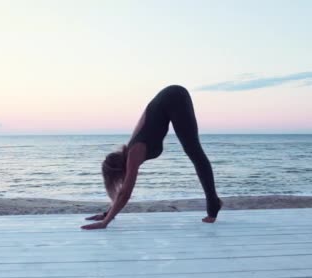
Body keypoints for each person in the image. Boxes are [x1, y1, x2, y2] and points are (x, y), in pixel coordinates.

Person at [81, 85, 222, 230]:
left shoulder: (134, 153)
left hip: (174, 96)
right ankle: (213, 203)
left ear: (118, 171)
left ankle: (213, 204)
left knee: (193, 149)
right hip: (166, 98)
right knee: (192, 149)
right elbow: (122, 191)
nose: (120, 181)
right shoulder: (130, 151)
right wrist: (107, 213)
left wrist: (105, 223)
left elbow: (125, 193)